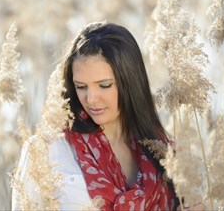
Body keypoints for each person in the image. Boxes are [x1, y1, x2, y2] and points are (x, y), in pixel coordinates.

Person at [12, 21, 193, 210]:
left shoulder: (169, 156)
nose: (91, 99)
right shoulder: (45, 150)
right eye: (81, 87)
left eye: (104, 85)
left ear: (130, 83)